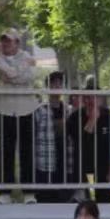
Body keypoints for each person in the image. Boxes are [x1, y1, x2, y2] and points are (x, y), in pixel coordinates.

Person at [0, 28, 38, 205]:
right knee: (5, 151)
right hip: (2, 109)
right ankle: (4, 193)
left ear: (17, 43)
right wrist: (20, 70)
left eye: (9, 40)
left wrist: (12, 75)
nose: (5, 43)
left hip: (26, 109)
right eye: (3, 40)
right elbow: (14, 75)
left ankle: (29, 193)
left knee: (27, 151)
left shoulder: (27, 56)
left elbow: (27, 77)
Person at [67, 88, 110, 203]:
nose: (92, 100)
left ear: (101, 99)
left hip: (104, 164)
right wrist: (92, 120)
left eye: (96, 97)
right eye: (88, 97)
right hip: (81, 165)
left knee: (104, 201)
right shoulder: (75, 117)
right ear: (83, 100)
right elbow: (79, 142)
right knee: (81, 202)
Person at [34, 71, 73, 203]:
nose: (57, 86)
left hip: (65, 160)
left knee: (63, 200)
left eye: (60, 84)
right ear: (47, 87)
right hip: (45, 162)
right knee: (44, 199)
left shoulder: (69, 110)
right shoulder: (40, 110)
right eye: (54, 83)